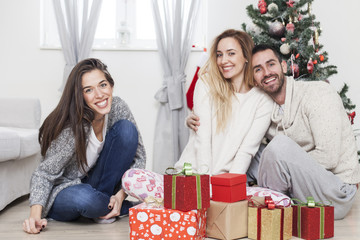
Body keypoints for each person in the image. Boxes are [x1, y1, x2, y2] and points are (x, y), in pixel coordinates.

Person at [188, 44, 360, 219]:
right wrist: (193, 118)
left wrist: (285, 163)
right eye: (258, 69)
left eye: (271, 64)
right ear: (254, 79)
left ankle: (267, 205)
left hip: (336, 193)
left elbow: (329, 158)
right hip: (301, 187)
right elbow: (231, 129)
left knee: (279, 147)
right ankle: (216, 193)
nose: (267, 73)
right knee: (246, 146)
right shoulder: (264, 107)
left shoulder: (318, 93)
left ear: (283, 66)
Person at [120, 29, 273, 202]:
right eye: (219, 55)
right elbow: (203, 140)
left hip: (226, 185)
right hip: (192, 177)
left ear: (246, 56)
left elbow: (247, 151)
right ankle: (186, 205)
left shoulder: (263, 100)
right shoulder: (207, 83)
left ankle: (180, 208)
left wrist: (228, 191)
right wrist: (203, 188)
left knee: (278, 200)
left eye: (231, 53)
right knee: (131, 178)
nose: (224, 61)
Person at [22, 58, 146, 234]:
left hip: (100, 184)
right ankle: (116, 208)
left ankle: (107, 206)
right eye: (89, 90)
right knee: (86, 200)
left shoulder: (118, 107)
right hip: (67, 191)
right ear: (80, 96)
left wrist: (120, 195)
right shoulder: (71, 127)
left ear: (111, 85)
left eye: (103, 85)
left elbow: (139, 157)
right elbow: (44, 173)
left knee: (127, 130)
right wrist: (35, 215)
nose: (100, 95)